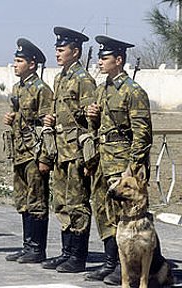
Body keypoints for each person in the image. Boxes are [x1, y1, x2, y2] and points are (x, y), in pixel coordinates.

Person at [84, 35, 169, 285]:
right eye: (99, 57)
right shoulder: (102, 89)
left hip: (123, 164)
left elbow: (142, 133)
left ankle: (136, 270)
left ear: (119, 60)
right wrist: (92, 116)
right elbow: (99, 127)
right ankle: (112, 262)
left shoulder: (133, 91)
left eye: (105, 57)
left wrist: (132, 169)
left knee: (128, 215)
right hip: (103, 160)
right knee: (104, 211)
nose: (100, 61)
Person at [41, 27, 96, 273]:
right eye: (56, 49)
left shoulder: (84, 80)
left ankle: (78, 255)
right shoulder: (60, 78)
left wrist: (89, 159)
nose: (57, 53)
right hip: (60, 151)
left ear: (76, 51)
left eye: (62, 49)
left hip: (75, 152)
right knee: (62, 203)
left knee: (77, 203)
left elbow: (92, 120)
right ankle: (66, 252)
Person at [3, 38, 54, 264]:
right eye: (15, 60)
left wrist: (45, 158)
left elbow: (47, 126)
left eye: (19, 61)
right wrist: (10, 118)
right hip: (20, 152)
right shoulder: (18, 88)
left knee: (37, 200)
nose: (15, 64)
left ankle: (37, 249)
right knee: (23, 200)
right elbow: (18, 115)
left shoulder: (42, 89)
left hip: (34, 153)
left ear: (32, 64)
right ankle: (27, 246)